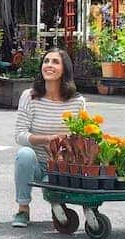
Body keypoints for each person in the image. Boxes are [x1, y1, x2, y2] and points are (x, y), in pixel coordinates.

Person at [12, 49, 86, 228]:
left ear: (64, 69)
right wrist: (48, 139)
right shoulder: (30, 96)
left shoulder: (77, 102)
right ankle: (23, 209)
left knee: (53, 186)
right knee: (24, 154)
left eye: (55, 62)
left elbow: (82, 137)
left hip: (61, 166)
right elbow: (20, 135)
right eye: (46, 61)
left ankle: (60, 205)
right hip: (37, 164)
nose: (49, 65)